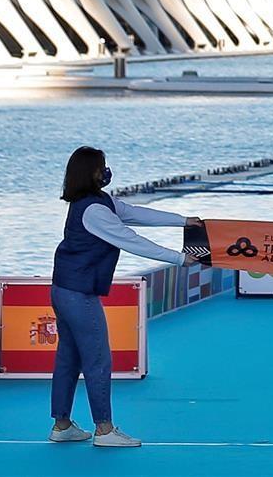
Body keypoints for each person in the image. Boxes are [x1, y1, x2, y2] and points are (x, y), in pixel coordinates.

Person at [49, 147, 202, 448]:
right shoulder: (94, 211)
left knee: (69, 358)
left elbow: (137, 214)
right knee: (97, 360)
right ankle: (104, 430)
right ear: (89, 172)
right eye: (101, 166)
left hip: (64, 288)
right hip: (78, 294)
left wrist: (183, 220)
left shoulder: (99, 202)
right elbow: (131, 240)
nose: (105, 170)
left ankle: (62, 424)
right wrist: (179, 259)